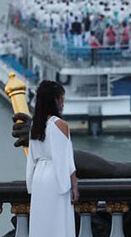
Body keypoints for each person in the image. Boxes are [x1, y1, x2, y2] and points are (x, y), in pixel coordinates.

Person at [26, 81, 78, 237]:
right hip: (55, 178)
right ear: (55, 100)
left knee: (42, 223)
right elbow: (65, 160)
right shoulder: (60, 125)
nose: (63, 103)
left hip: (39, 179)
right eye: (61, 98)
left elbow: (32, 159)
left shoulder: (35, 126)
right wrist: (73, 185)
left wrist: (31, 182)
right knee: (58, 223)